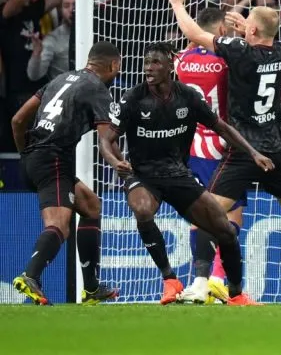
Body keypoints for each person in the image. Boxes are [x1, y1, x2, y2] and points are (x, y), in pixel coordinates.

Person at [168, 0, 281, 302]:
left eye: (247, 23)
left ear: (250, 30)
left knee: (207, 214)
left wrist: (177, 5)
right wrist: (259, 35)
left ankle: (199, 284)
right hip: (275, 150)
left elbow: (194, 32)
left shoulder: (238, 52)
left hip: (244, 151)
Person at [97, 43, 264, 306]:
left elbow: (222, 127)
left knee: (225, 231)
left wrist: (253, 153)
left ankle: (235, 293)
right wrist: (116, 161)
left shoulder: (188, 97)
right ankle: (170, 280)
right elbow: (106, 141)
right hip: (143, 175)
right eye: (146, 62)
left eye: (155, 62)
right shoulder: (132, 98)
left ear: (170, 67)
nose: (148, 67)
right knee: (142, 210)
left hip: (178, 174)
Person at [11, 42, 123, 305]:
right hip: (54, 161)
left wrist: (25, 155)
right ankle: (30, 275)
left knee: (91, 205)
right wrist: (123, 166)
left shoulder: (60, 78)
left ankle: (92, 288)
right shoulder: (97, 89)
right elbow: (106, 140)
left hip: (33, 157)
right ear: (114, 65)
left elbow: (17, 120)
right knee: (58, 225)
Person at [174, 7, 243, 304]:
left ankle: (201, 280)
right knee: (232, 215)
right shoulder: (226, 60)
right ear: (221, 32)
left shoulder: (179, 61)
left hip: (192, 147)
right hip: (225, 146)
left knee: (201, 214)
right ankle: (214, 278)